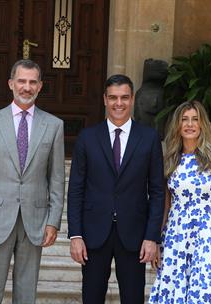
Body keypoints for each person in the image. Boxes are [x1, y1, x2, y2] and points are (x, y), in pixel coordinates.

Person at [0, 59, 65, 303]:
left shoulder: (54, 126)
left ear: (40, 86)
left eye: (32, 82)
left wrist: (53, 222)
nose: (27, 87)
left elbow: (56, 179)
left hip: (34, 220)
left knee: (26, 293)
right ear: (11, 84)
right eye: (21, 81)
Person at [67, 74, 165, 303]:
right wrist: (76, 235)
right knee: (91, 298)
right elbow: (75, 190)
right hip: (93, 233)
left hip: (134, 235)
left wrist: (152, 237)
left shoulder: (149, 138)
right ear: (104, 99)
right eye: (113, 97)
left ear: (132, 100)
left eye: (124, 97)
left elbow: (158, 191)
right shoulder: (87, 137)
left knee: (132, 298)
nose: (118, 103)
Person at [148, 100, 211, 303]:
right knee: (172, 290)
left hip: (205, 236)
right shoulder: (171, 160)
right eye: (185, 120)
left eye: (195, 120)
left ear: (202, 124)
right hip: (175, 235)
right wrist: (157, 241)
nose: (190, 124)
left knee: (203, 290)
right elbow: (165, 205)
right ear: (178, 126)